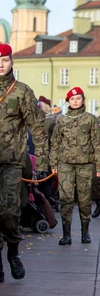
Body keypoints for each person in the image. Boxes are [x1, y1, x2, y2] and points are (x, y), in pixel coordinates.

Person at [0, 43, 48, 282]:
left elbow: (37, 127)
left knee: (10, 211)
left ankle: (13, 254)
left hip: (11, 162)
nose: (0, 64)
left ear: (11, 62)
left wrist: (41, 160)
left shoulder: (21, 91)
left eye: (5, 60)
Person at [49, 87, 100, 246]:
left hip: (85, 165)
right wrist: (53, 162)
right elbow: (55, 143)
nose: (75, 101)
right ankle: (66, 234)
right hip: (65, 164)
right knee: (65, 199)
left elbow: (98, 143)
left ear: (83, 100)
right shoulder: (61, 120)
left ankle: (85, 232)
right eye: (72, 99)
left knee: (84, 200)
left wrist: (99, 165)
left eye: (78, 98)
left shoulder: (91, 119)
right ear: (68, 102)